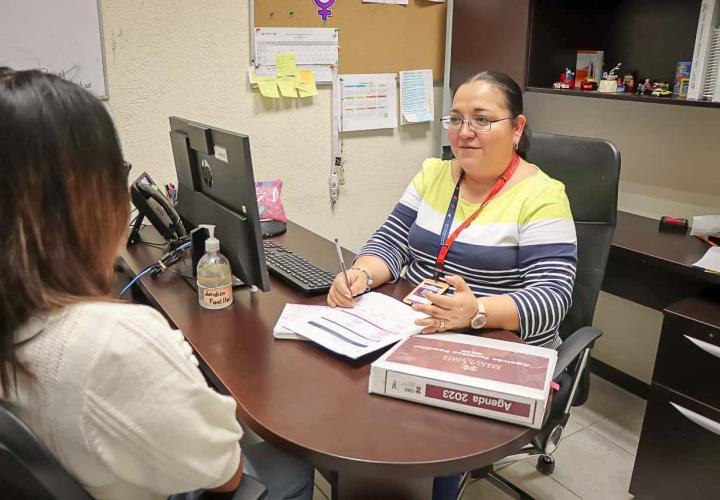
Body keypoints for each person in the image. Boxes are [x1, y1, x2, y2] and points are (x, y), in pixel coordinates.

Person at [0, 68, 313, 500]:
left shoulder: (18, 317)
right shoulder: (112, 342)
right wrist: (173, 358)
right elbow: (227, 472)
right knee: (293, 467)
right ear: (81, 197)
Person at [327, 70, 577, 499]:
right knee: (345, 401)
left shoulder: (542, 196)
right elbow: (390, 241)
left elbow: (552, 298)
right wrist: (362, 273)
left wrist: (475, 311)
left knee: (421, 438)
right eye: (456, 119)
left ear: (516, 128)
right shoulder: (434, 174)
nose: (465, 133)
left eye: (482, 119)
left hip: (498, 346)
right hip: (417, 329)